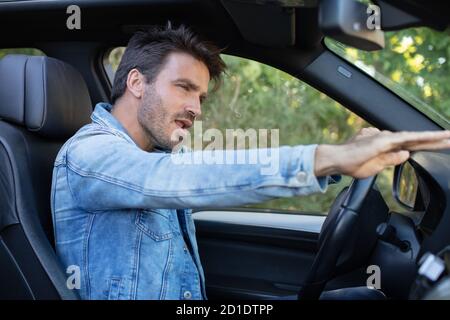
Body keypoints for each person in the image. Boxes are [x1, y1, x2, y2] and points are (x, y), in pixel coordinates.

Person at [51, 24, 450, 300]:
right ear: (136, 83)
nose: (195, 109)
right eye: (184, 88)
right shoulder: (89, 155)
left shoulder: (154, 153)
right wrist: (329, 160)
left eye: (201, 98)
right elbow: (184, 179)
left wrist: (341, 160)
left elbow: (221, 174)